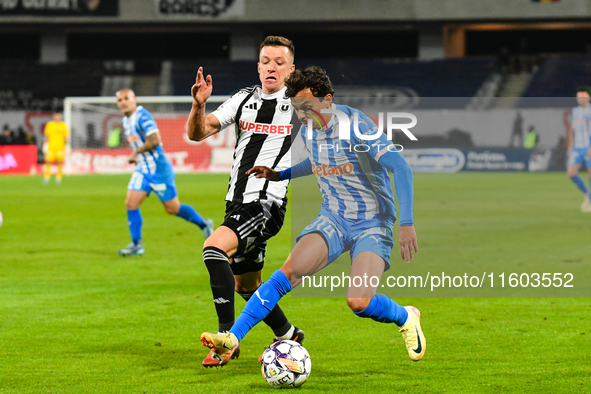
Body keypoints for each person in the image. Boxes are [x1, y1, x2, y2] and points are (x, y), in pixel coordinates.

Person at [200, 66, 425, 366]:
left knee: (358, 301)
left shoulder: (356, 125)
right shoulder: (309, 127)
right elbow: (316, 162)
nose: (302, 115)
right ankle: (233, 337)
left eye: (307, 107)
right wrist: (279, 174)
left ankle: (405, 316)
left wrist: (407, 223)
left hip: (372, 222)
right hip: (333, 219)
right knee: (283, 278)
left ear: (327, 100)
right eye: (297, 109)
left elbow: (401, 167)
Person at [186, 36, 304, 367]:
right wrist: (199, 105)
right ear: (258, 65)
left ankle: (227, 340)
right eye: (266, 60)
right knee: (246, 284)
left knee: (213, 248)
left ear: (291, 70)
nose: (272, 67)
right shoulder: (243, 99)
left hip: (266, 203)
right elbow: (198, 133)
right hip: (236, 202)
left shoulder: (299, 104)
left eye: (280, 62)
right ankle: (288, 331)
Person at [116, 88, 213, 256]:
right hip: (143, 170)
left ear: (134, 99)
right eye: (120, 100)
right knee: (130, 203)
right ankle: (136, 245)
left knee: (172, 208)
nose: (123, 102)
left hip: (159, 169)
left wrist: (136, 152)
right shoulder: (126, 120)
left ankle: (204, 224)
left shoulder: (142, 116)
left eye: (126, 98)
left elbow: (155, 140)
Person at [566, 88, 591, 212]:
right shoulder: (575, 111)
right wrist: (570, 146)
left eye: (583, 97)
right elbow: (572, 129)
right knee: (571, 172)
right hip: (577, 147)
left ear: (588, 98)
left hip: (589, 146)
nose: (580, 99)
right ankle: (588, 194)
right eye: (578, 97)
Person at [43, 113, 69, 184]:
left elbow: (66, 136)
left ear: (61, 117)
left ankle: (59, 178)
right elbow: (47, 135)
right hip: (51, 147)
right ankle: (46, 177)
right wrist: (45, 144)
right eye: (56, 117)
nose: (57, 118)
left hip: (60, 147)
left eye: (58, 117)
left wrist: (67, 145)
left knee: (60, 162)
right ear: (54, 117)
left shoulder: (63, 125)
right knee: (48, 161)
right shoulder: (50, 125)